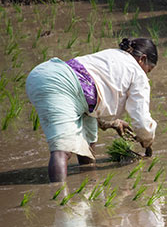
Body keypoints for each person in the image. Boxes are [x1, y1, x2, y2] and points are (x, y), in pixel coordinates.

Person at [25, 38, 158, 182]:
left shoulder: (112, 54)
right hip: (61, 84)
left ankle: (89, 184)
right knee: (62, 150)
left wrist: (113, 123)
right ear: (142, 59)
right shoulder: (138, 73)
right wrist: (147, 140)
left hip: (48, 76)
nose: (146, 75)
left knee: (88, 141)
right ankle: (59, 200)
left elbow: (95, 91)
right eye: (148, 70)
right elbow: (141, 119)